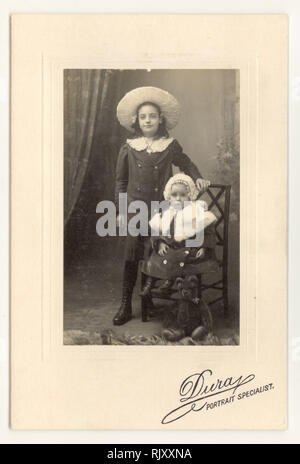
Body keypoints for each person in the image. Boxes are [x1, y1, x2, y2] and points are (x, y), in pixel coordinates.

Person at [113, 86, 211, 326]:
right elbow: (121, 181)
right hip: (136, 210)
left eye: (153, 116)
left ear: (160, 120)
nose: (148, 120)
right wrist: (120, 210)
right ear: (137, 120)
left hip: (163, 210)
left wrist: (197, 176)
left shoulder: (169, 146)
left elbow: (186, 163)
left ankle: (148, 299)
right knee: (132, 255)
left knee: (157, 251)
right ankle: (125, 304)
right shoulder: (128, 147)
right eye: (144, 116)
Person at [140, 172, 217, 297]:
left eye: (182, 195)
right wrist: (160, 242)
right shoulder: (167, 212)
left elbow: (208, 231)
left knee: (175, 259)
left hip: (190, 248)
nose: (178, 199)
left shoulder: (195, 211)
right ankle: (149, 285)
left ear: (190, 196)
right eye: (174, 195)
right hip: (171, 247)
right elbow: (157, 229)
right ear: (169, 197)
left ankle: (167, 284)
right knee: (156, 257)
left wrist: (203, 247)